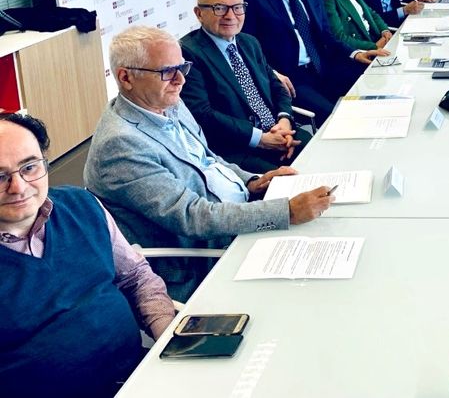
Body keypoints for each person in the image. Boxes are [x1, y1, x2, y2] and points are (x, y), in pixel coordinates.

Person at [84, 26, 335, 300]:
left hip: (236, 213)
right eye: (167, 71)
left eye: (182, 67)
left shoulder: (167, 101)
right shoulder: (121, 144)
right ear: (126, 77)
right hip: (206, 254)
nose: (181, 80)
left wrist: (252, 181)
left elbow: (207, 159)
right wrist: (286, 212)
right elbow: (193, 217)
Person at [0, 112, 176, 397]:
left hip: (140, 376)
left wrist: (168, 335)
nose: (18, 187)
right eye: (0, 176)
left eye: (29, 167)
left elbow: (136, 277)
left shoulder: (81, 205)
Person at [237, 0, 386, 116]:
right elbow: (246, 47)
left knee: (375, 83)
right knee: (334, 116)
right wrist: (272, 73)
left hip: (323, 67)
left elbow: (327, 36)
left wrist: (356, 53)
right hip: (291, 78)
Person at [180, 0, 307, 173]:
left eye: (237, 8)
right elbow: (202, 114)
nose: (230, 16)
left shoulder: (249, 42)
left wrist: (284, 121)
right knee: (287, 180)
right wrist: (260, 139)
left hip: (278, 132)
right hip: (237, 148)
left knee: (323, 154)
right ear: (199, 14)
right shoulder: (188, 53)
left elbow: (276, 86)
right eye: (219, 8)